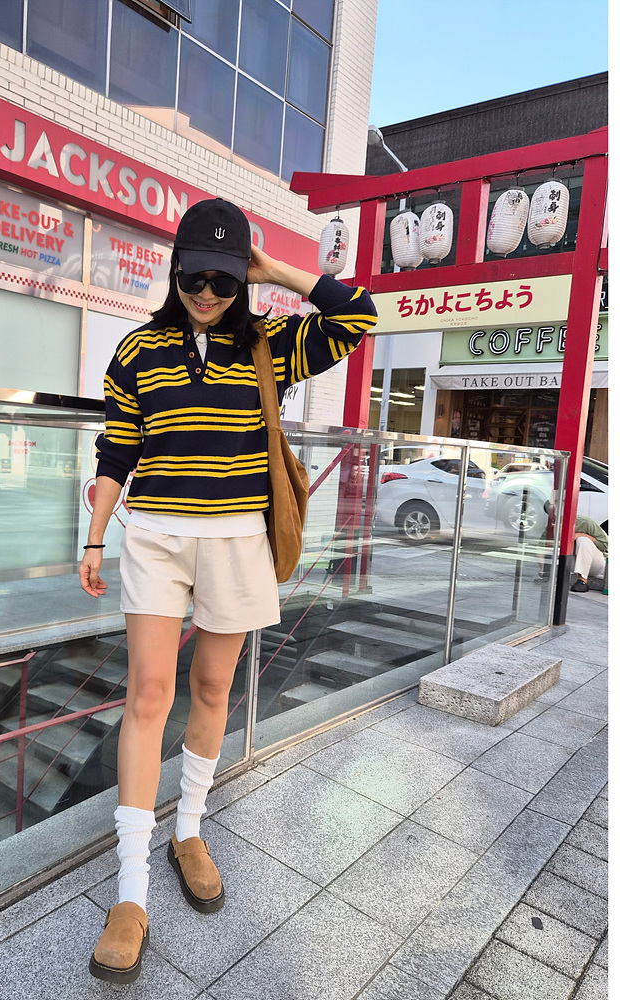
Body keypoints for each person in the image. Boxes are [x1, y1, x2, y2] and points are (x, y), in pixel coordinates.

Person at [78, 197, 377, 983]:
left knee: (213, 688)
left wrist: (277, 270)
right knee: (148, 694)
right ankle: (131, 892)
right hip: (156, 535)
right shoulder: (138, 350)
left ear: (242, 279)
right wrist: (94, 537)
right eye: (194, 277)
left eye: (223, 278)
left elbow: (357, 316)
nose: (207, 292)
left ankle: (189, 829)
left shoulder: (271, 344)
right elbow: (117, 449)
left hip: (240, 536)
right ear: (175, 270)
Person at [569, 513, 608, 592]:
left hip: (596, 564)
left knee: (583, 540)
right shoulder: (553, 524)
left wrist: (581, 535)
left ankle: (582, 581)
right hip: (572, 563)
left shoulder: (586, 522)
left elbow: (605, 544)